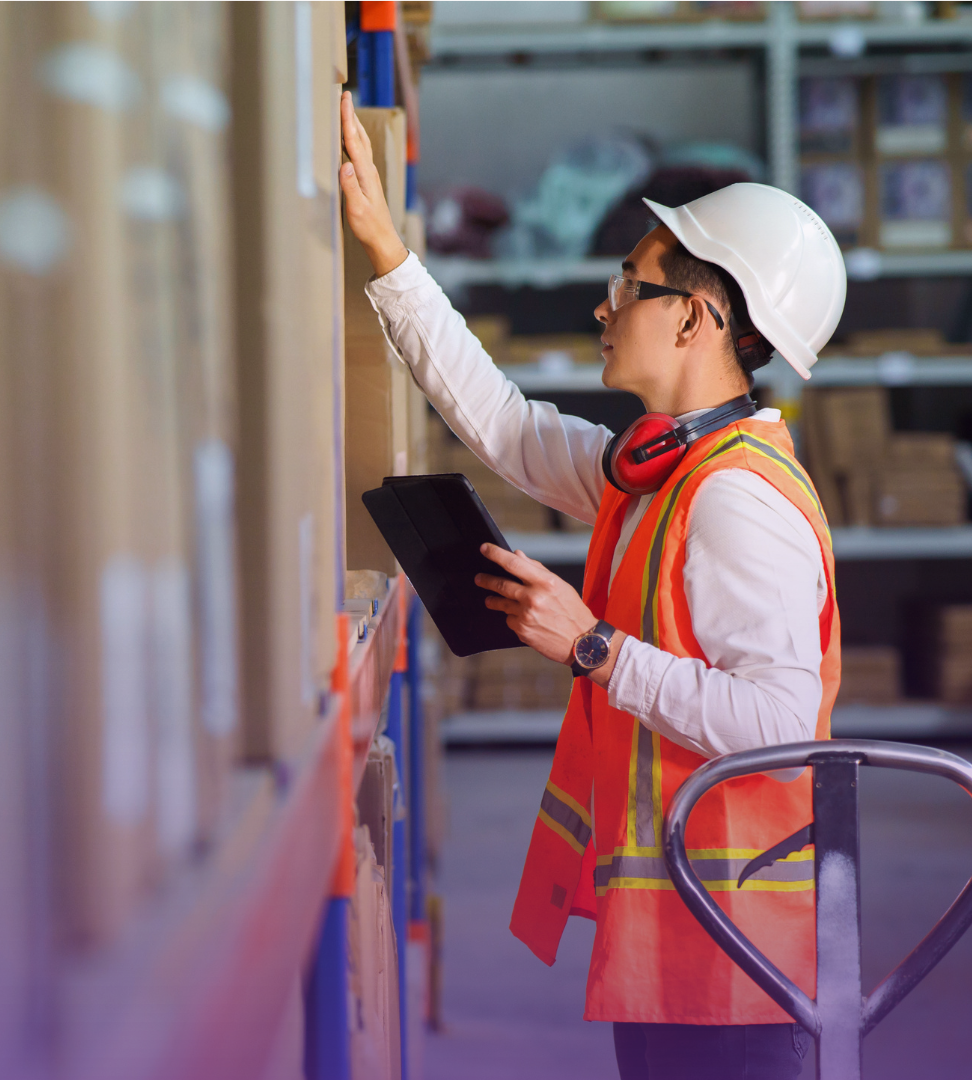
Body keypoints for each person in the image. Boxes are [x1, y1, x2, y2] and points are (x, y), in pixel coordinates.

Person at [340, 91, 844, 1080]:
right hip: (686, 939)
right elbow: (510, 428)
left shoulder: (736, 501)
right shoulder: (660, 470)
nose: (603, 305)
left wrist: (593, 647)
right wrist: (388, 257)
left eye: (630, 284)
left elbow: (783, 729)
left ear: (695, 318)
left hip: (742, 965)